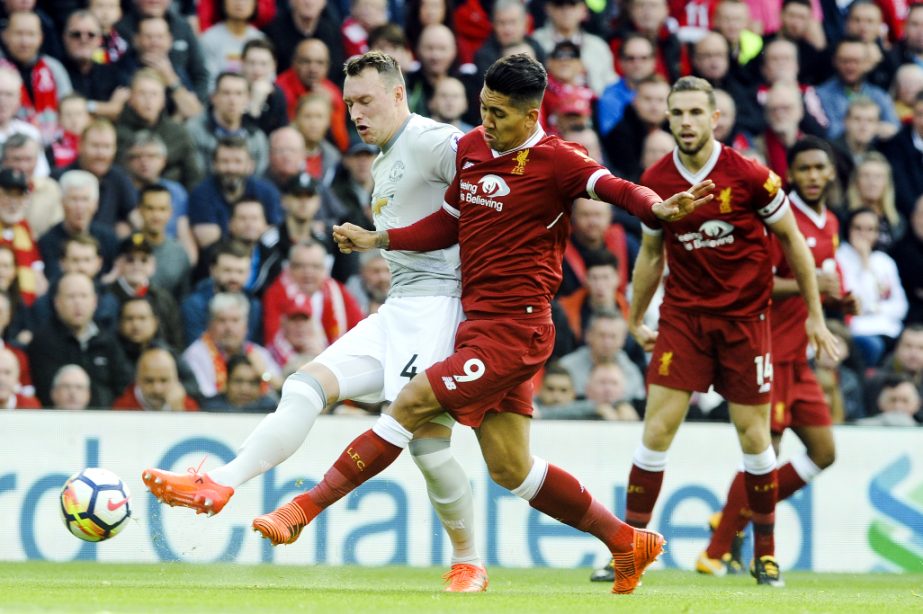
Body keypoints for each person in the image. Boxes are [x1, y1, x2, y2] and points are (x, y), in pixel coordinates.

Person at [242, 53, 713, 596]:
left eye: (499, 115)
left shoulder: (559, 161)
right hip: (477, 324)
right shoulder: (469, 150)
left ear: (532, 113)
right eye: (483, 108)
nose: (486, 122)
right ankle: (627, 542)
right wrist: (381, 240)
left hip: (518, 330)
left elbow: (618, 189)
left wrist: (658, 209)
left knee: (411, 404)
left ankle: (303, 508)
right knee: (512, 468)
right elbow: (449, 221)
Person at [142, 51, 500, 593]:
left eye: (366, 100)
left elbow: (491, 182)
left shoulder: (432, 141)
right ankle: (220, 482)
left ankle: (469, 561)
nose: (356, 112)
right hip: (399, 307)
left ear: (399, 94)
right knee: (304, 386)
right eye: (349, 102)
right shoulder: (384, 157)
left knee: (428, 448)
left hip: (439, 309)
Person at [605, 76, 837, 588]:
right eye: (677, 113)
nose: (686, 122)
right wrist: (634, 317)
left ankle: (765, 556)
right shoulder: (657, 179)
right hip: (684, 319)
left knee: (755, 439)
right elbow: (649, 254)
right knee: (655, 433)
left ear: (715, 119)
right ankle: (627, 550)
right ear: (667, 118)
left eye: (695, 112)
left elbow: (794, 244)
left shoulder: (751, 176)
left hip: (744, 322)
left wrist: (816, 315)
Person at [696, 136, 857, 577]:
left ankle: (736, 514)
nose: (810, 176)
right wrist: (814, 289)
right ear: (793, 175)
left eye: (817, 168)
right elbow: (758, 281)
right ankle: (715, 550)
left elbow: (823, 281)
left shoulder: (830, 223)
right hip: (769, 349)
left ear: (829, 173)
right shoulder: (779, 218)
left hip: (798, 357)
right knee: (763, 455)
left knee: (823, 452)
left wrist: (842, 299)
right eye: (802, 169)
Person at [113, 346, 200, 411]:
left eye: (164, 380)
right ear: (137, 379)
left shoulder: (187, 405)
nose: (157, 389)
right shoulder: (122, 406)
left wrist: (179, 410)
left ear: (176, 380)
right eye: (149, 381)